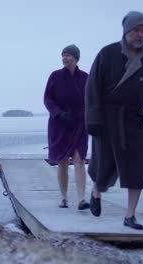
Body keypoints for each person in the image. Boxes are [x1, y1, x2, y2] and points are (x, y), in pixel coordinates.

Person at [85, 11, 143, 229]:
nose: (140, 34)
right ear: (126, 31)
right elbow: (92, 88)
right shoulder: (108, 54)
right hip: (106, 118)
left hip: (133, 119)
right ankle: (96, 191)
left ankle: (130, 215)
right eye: (136, 30)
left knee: (137, 166)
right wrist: (93, 118)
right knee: (103, 163)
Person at [44, 44, 90, 210]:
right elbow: (47, 99)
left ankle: (81, 199)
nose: (65, 58)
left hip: (79, 124)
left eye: (68, 55)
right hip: (59, 125)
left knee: (79, 160)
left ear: (76, 58)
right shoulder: (55, 76)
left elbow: (92, 99)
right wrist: (58, 113)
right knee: (62, 162)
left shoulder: (85, 77)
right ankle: (63, 198)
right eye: (63, 55)